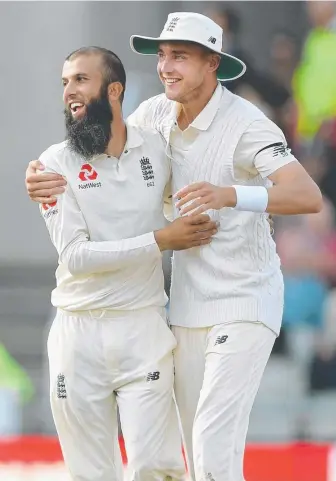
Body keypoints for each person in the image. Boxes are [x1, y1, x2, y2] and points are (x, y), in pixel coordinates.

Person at [26, 13, 323, 481]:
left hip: (245, 298)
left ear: (212, 63)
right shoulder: (153, 115)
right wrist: (43, 172)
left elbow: (306, 195)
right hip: (184, 306)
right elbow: (105, 156)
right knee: (185, 454)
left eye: (179, 56)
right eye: (162, 55)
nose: (166, 66)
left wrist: (230, 194)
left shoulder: (246, 124)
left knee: (211, 441)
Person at [26, 45, 218, 481]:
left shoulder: (156, 150)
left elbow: (192, 197)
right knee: (91, 475)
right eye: (64, 83)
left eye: (80, 80)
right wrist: (162, 239)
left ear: (114, 90)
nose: (69, 92)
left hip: (142, 327)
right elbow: (76, 257)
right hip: (79, 333)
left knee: (159, 468)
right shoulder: (55, 164)